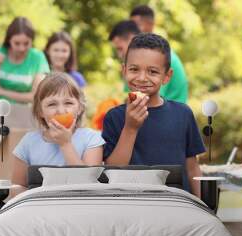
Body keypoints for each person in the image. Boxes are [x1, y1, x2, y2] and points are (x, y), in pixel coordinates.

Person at [102, 33, 205, 197]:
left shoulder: (183, 114)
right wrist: (130, 128)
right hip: (131, 205)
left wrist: (203, 205)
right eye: (134, 69)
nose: (142, 78)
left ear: (167, 76)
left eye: (153, 71)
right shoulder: (114, 117)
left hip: (176, 204)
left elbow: (192, 167)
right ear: (124, 70)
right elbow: (112, 171)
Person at [12, 72, 105, 187]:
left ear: (80, 108)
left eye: (68, 103)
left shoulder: (92, 139)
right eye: (52, 104)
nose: (61, 111)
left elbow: (89, 185)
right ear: (40, 111)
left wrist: (65, 144)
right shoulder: (28, 142)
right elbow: (17, 186)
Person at [0, 17, 50, 122]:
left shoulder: (37, 58)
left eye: (26, 43)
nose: (21, 48)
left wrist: (1, 91)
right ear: (9, 40)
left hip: (22, 118)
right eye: (17, 43)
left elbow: (36, 97)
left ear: (32, 41)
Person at [109, 20, 188, 104]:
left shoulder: (161, 57)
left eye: (120, 49)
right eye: (134, 69)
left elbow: (147, 99)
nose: (119, 55)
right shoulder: (131, 65)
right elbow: (131, 97)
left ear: (131, 38)